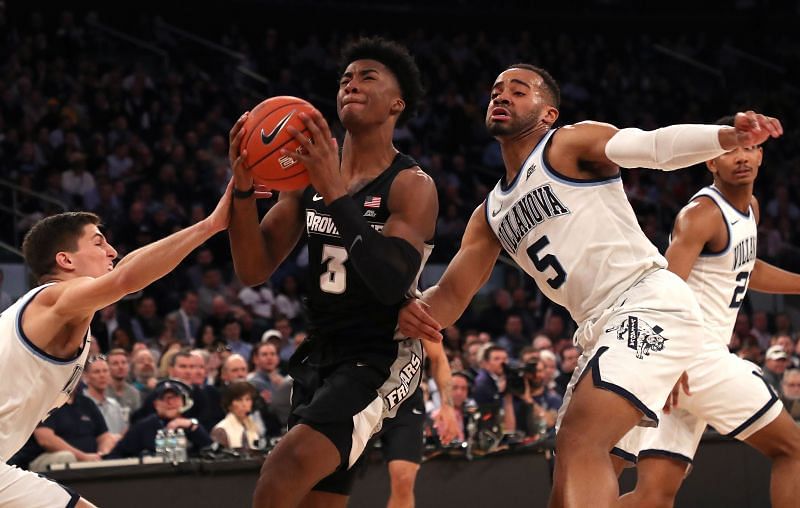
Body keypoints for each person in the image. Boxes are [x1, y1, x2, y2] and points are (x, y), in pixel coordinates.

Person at [397, 63, 783, 507]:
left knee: (582, 440)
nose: (502, 96)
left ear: (548, 114)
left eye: (519, 91)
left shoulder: (568, 143)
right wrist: (390, 319)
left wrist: (726, 138)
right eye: (496, 90)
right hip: (597, 330)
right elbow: (448, 297)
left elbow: (651, 145)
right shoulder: (489, 214)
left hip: (646, 300)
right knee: (566, 485)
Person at [229, 36, 436, 508]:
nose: (351, 84)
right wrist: (242, 190)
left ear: (396, 104)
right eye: (345, 78)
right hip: (320, 352)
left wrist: (336, 195)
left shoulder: (411, 184)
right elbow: (253, 268)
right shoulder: (303, 180)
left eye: (368, 77)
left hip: (380, 354)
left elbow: (390, 284)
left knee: (282, 469)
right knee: (315, 502)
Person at [0, 179, 231, 507]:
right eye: (98, 243)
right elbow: (126, 278)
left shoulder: (59, 319)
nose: (112, 251)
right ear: (66, 261)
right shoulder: (53, 299)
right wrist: (210, 225)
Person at [613, 117, 800, 508]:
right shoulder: (700, 214)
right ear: (711, 161)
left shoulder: (749, 208)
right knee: (793, 450)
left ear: (761, 155)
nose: (741, 157)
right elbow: (665, 288)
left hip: (683, 366)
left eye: (749, 148)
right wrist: (670, 359)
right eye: (730, 149)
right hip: (693, 356)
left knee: (653, 496)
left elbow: (747, 267)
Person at [106, 379, 212, 458]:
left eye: (175, 397)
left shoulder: (191, 425)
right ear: (156, 404)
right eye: (164, 398)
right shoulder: (143, 427)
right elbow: (116, 455)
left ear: (183, 402)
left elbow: (212, 450)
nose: (170, 402)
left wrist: (191, 425)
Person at [210, 381, 262, 450]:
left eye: (248, 399)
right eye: (239, 400)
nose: (244, 404)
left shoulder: (253, 427)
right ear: (229, 404)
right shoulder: (221, 429)